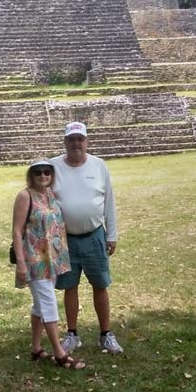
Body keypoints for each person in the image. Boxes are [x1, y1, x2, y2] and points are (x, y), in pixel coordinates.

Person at [51, 122, 123, 355]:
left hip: (94, 237)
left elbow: (109, 202)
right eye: (71, 139)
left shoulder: (99, 165)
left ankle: (105, 334)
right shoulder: (53, 167)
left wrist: (111, 235)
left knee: (100, 285)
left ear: (86, 141)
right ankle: (72, 334)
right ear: (65, 142)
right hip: (65, 240)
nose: (76, 144)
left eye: (80, 139)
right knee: (69, 287)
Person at [12, 159, 86, 370]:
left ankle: (36, 348)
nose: (43, 176)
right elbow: (17, 231)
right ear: (31, 175)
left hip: (53, 259)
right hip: (34, 260)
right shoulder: (25, 196)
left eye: (47, 172)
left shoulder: (50, 195)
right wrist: (21, 263)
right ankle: (59, 352)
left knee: (40, 305)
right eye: (38, 173)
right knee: (48, 303)